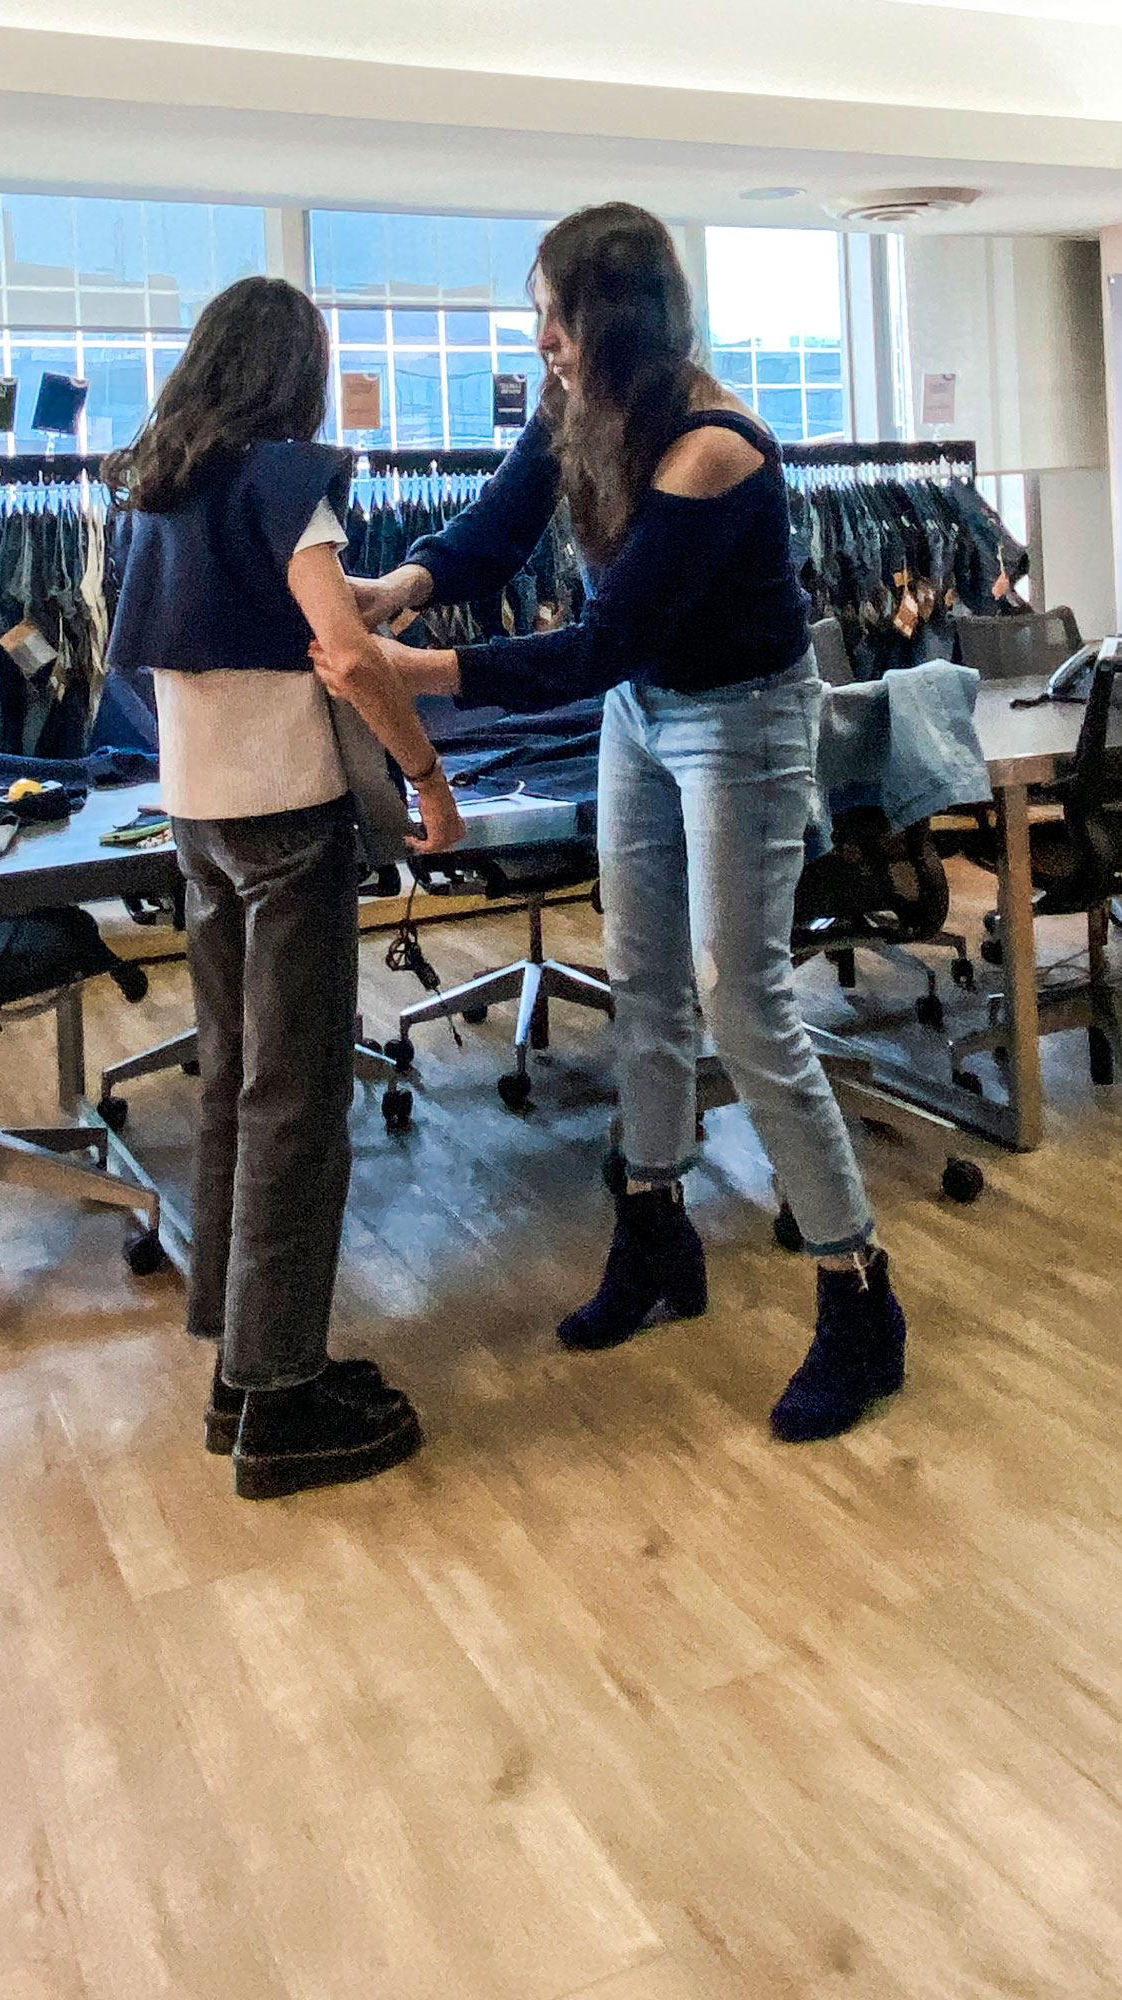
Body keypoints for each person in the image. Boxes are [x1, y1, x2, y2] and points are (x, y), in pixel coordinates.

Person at [315, 204, 905, 1444]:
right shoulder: (578, 405)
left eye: (558, 316)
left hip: (742, 717)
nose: (543, 340)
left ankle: (860, 1295)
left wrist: (411, 669)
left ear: (619, 319)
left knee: (742, 998)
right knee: (641, 978)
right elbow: (498, 529)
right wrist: (400, 586)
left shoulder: (714, 450)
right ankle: (653, 1228)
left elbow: (599, 644)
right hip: (645, 710)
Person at [104, 276, 465, 1499]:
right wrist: (426, 778)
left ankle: (239, 1368)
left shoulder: (162, 482)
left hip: (197, 818)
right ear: (292, 372)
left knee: (235, 1083)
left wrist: (385, 584)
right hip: (287, 821)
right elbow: (344, 656)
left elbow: (271, 607)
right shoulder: (285, 477)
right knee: (298, 1102)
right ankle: (282, 1401)